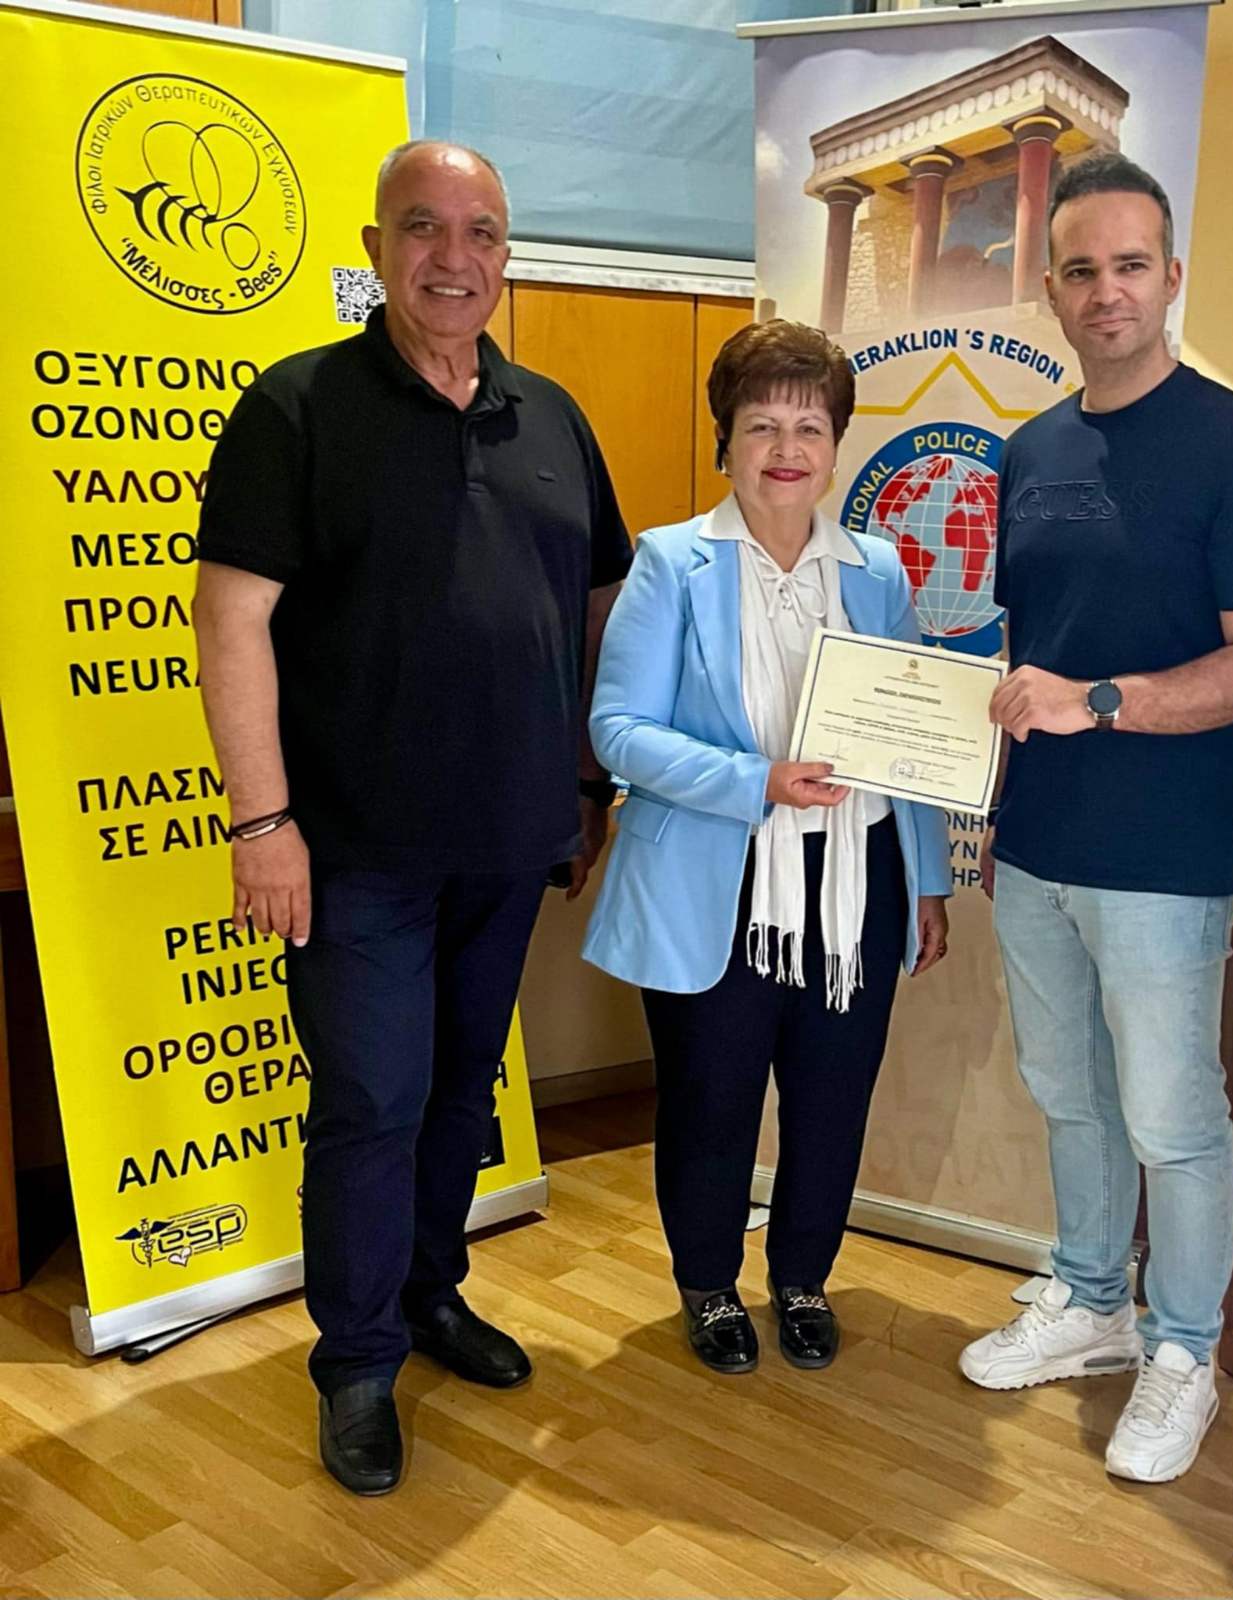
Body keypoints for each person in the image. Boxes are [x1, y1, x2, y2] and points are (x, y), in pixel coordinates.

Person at [193, 141, 631, 1495]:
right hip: (351, 850)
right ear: (376, 249)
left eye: (481, 232)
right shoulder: (298, 407)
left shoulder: (552, 415)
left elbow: (596, 609)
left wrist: (587, 786)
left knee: (458, 1090)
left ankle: (432, 1293)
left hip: (509, 840)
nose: (454, 257)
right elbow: (230, 617)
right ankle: (358, 1363)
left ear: (507, 255)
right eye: (424, 228)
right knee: (371, 1102)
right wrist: (261, 823)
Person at [956, 151, 1233, 1483]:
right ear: (1051, 291)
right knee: (1069, 1096)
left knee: (1171, 1115)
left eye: (1128, 265)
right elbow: (1025, 653)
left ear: (1171, 277)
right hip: (1036, 845)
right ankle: (1093, 1300)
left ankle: (1180, 1349)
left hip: (1162, 858)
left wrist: (1097, 703)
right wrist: (993, 813)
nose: (1105, 290)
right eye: (1080, 270)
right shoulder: (1030, 449)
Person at [582, 319, 951, 1375]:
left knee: (832, 1099)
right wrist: (758, 781)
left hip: (857, 878)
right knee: (712, 1101)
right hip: (717, 874)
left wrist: (927, 880)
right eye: (761, 425)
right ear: (725, 441)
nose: (786, 449)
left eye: (809, 427)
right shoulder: (670, 561)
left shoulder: (878, 569)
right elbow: (619, 731)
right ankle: (707, 1284)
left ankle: (801, 1278)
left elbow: (908, 737)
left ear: (835, 447)